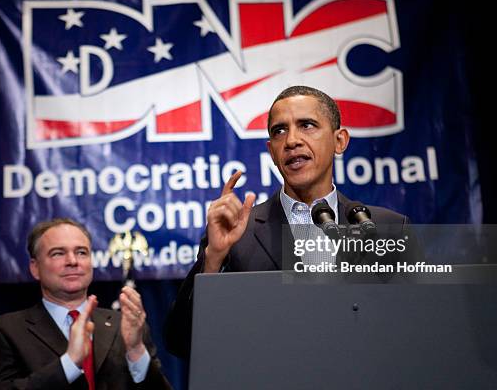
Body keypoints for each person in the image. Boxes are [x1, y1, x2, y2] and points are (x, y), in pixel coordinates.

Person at [163, 85, 418, 359]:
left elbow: (417, 332)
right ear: (271, 150)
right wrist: (213, 258)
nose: (291, 140)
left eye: (307, 125)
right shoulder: (238, 232)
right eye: (279, 131)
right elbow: (182, 342)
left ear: (340, 140)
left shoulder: (387, 229)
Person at [0, 218, 172, 389]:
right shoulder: (5, 331)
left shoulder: (125, 325)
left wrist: (137, 351)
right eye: (58, 253)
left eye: (81, 252)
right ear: (35, 267)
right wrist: (69, 364)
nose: (72, 261)